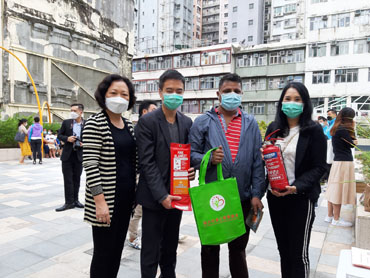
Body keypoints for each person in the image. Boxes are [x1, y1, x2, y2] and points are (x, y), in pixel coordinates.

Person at [189, 73, 265, 278]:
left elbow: (258, 163)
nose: (232, 95)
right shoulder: (204, 121)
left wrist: (257, 193)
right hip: (214, 197)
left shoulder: (250, 123)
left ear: (242, 94)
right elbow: (191, 154)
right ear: (218, 94)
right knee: (210, 248)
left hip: (242, 197)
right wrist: (208, 158)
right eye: (227, 91)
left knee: (238, 249)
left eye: (237, 91)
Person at [135, 69, 195, 278]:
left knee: (170, 248)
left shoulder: (187, 122)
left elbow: (188, 156)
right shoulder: (147, 121)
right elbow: (147, 162)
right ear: (160, 92)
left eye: (179, 90)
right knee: (151, 250)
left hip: (178, 196)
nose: (174, 94)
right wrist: (162, 196)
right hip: (154, 198)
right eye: (169, 90)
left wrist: (191, 171)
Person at [263, 82, 327, 278]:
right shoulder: (274, 129)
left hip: (301, 199)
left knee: (298, 254)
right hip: (276, 197)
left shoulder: (313, 131)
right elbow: (267, 159)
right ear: (281, 102)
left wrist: (296, 187)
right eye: (288, 99)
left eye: (297, 99)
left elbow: (320, 168)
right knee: (284, 252)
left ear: (305, 103)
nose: (292, 103)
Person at [82, 74, 138, 277]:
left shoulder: (129, 125)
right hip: (105, 201)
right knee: (103, 253)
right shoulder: (94, 123)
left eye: (124, 94)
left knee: (116, 252)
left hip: (125, 200)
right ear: (103, 95)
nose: (119, 98)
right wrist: (99, 201)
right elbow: (90, 164)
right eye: (113, 93)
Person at [127, 100, 158, 250]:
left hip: (152, 175)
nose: (156, 112)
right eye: (153, 109)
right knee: (139, 209)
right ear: (144, 112)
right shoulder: (139, 129)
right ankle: (133, 236)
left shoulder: (152, 128)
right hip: (141, 174)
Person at [325, 107, 357, 227]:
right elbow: (352, 144)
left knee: (332, 189)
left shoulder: (336, 128)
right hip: (344, 162)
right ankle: (336, 219)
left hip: (337, 162)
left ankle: (329, 216)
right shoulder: (344, 129)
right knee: (337, 191)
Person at [56, 103, 85, 212]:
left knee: (77, 179)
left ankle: (76, 200)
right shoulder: (66, 122)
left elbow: (90, 139)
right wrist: (67, 138)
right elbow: (59, 135)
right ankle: (68, 202)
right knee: (68, 179)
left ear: (80, 112)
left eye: (74, 110)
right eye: (71, 110)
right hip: (67, 156)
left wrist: (84, 144)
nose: (72, 112)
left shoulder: (86, 124)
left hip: (79, 156)